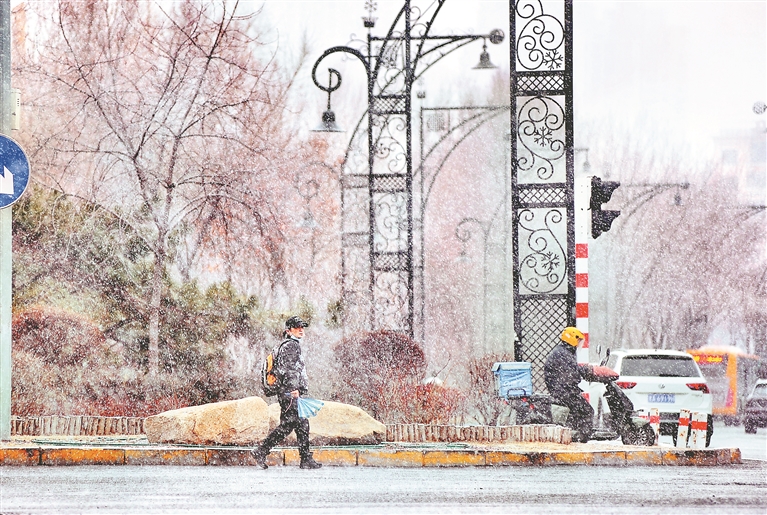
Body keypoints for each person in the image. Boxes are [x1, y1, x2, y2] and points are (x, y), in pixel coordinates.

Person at [252, 316, 322, 469]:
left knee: (301, 423)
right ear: (289, 330)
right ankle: (261, 451)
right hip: (289, 393)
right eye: (297, 327)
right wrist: (293, 389)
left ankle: (305, 458)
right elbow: (289, 370)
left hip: (287, 392)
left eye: (302, 327)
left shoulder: (287, 345)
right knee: (289, 425)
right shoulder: (291, 346)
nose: (301, 330)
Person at [543, 326, 594, 443]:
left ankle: (576, 434)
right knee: (587, 410)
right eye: (579, 341)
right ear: (572, 339)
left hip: (560, 390)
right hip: (564, 392)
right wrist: (584, 373)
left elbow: (571, 371)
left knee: (578, 410)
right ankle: (582, 437)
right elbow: (571, 376)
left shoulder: (562, 352)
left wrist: (583, 371)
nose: (580, 344)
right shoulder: (564, 354)